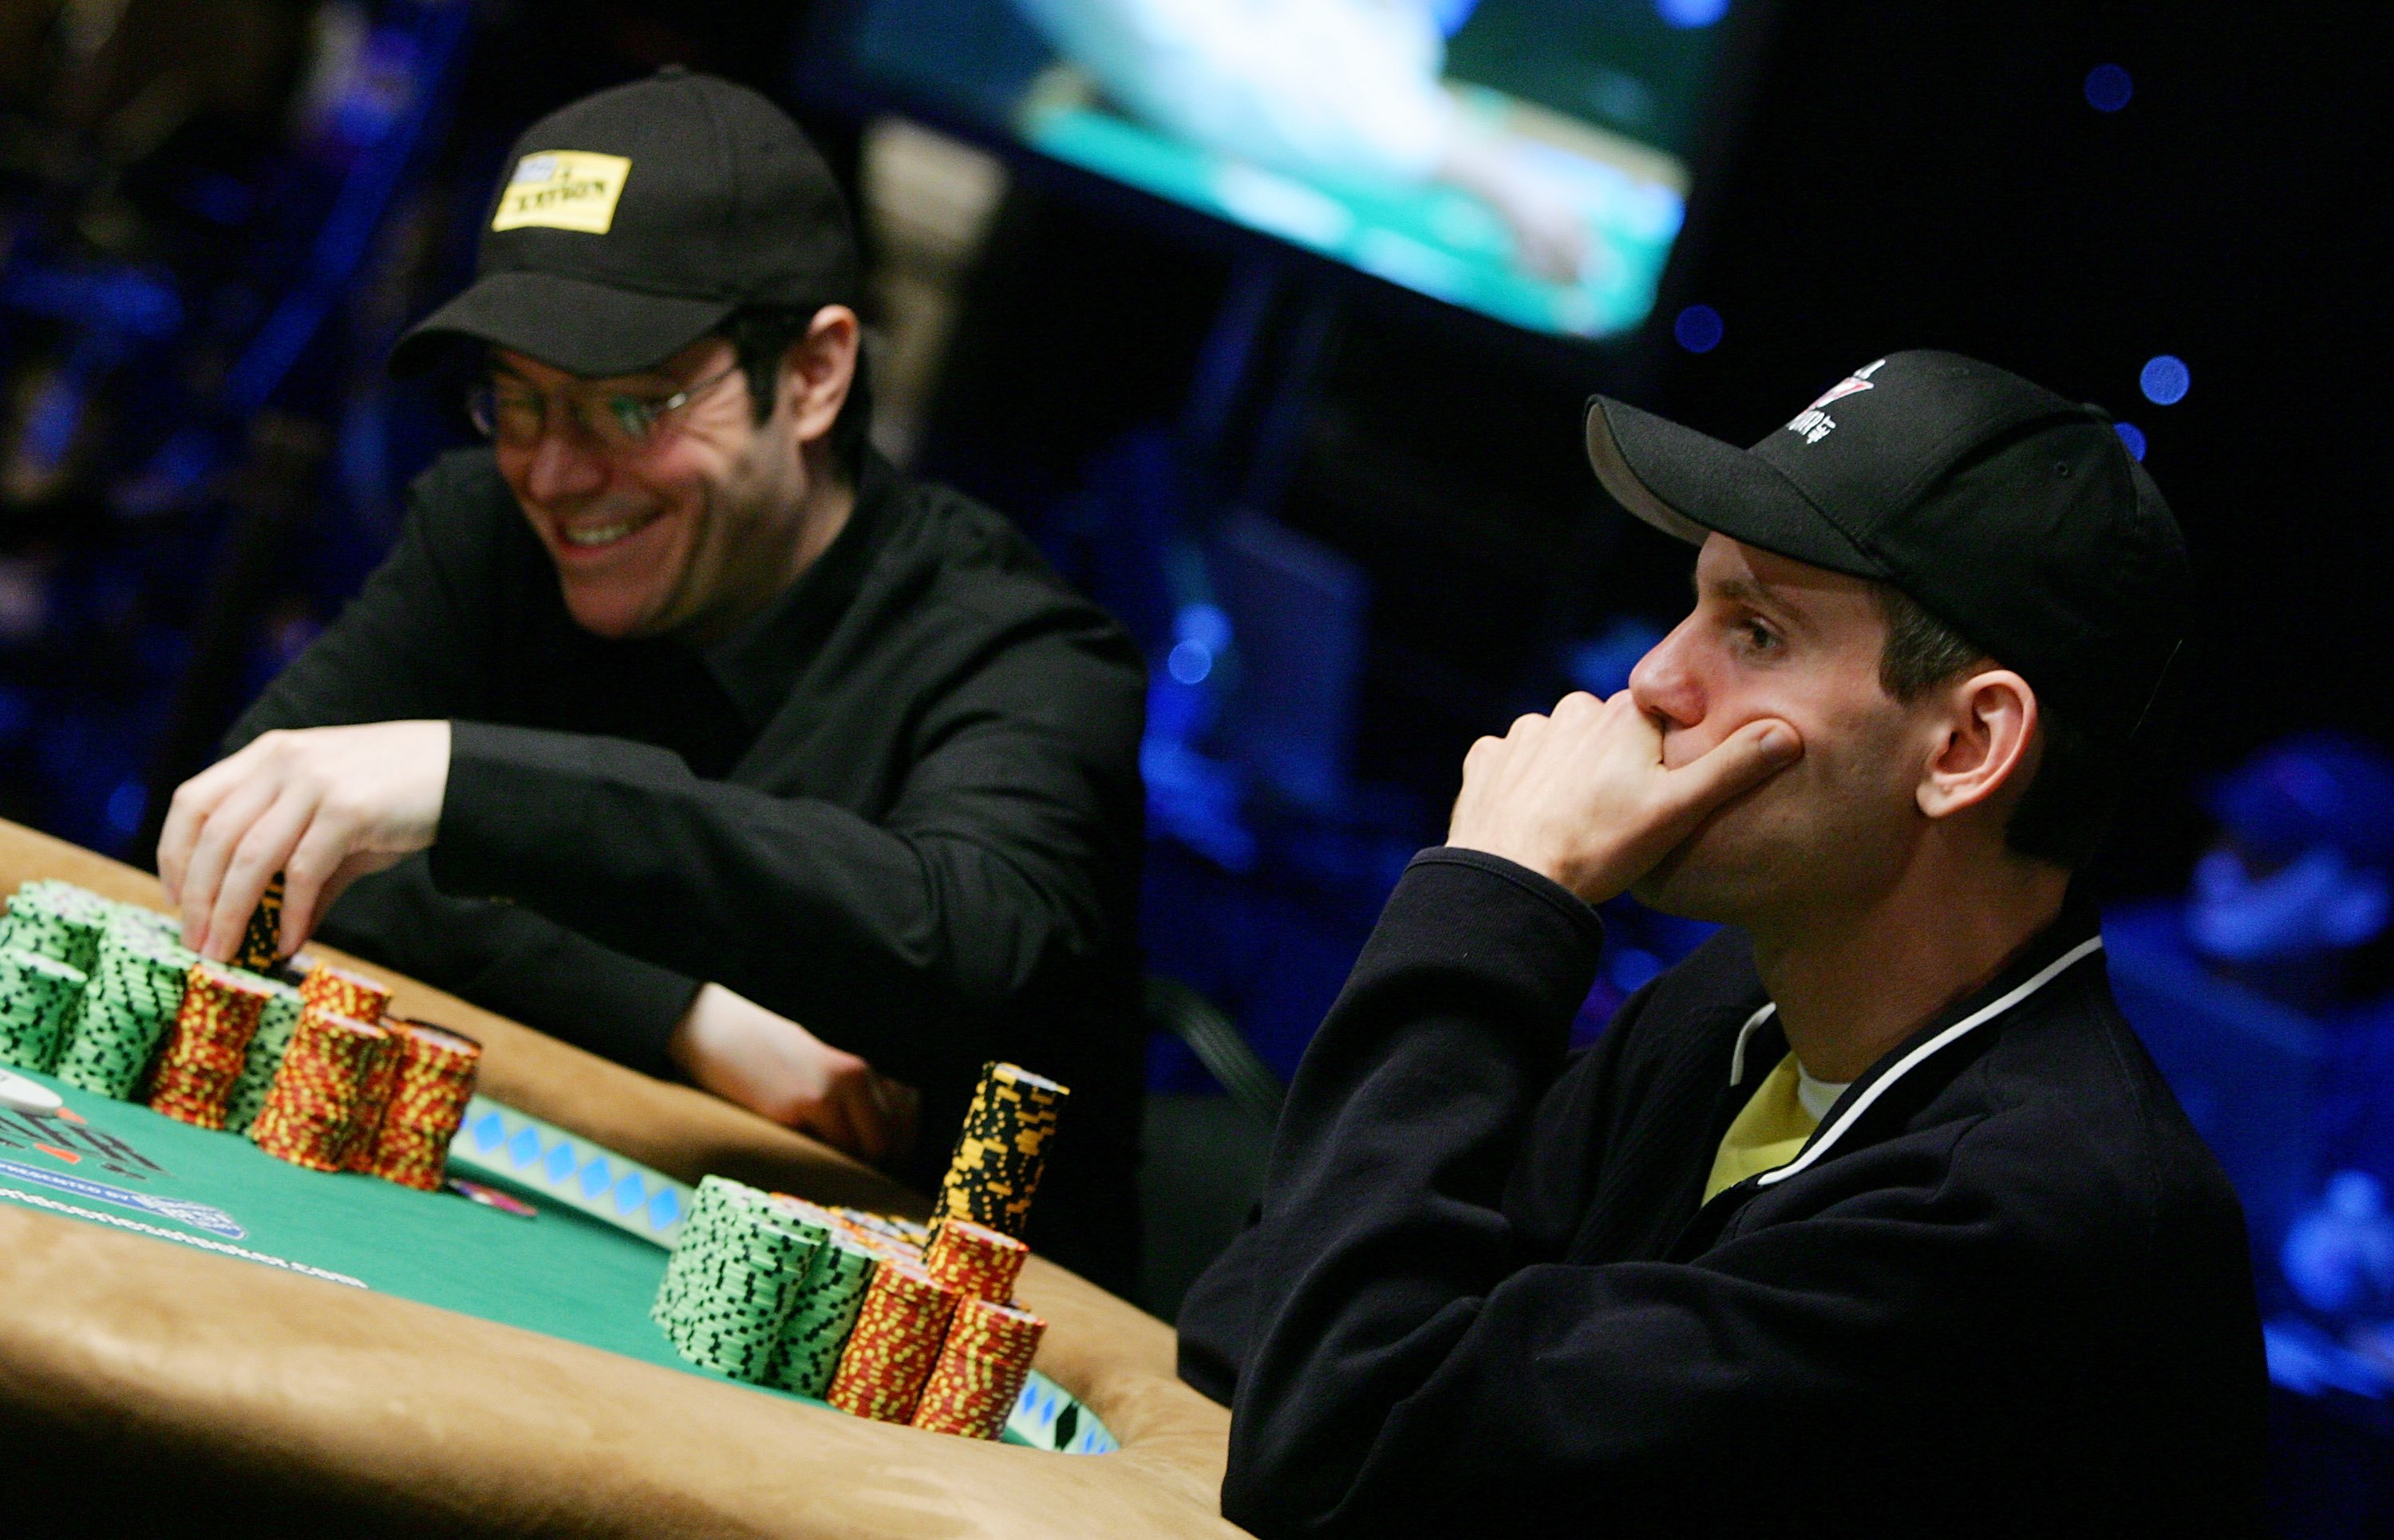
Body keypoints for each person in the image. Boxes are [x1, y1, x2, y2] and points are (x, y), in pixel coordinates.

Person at [1177, 351, 2266, 1534]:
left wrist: (1496, 897)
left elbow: (1332, 1442)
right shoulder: (1737, 1008)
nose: (1653, 678)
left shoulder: (2032, 1220)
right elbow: (1261, 1315)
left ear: (1966, 746)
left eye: (1754, 631)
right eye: (1691, 605)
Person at [152, 69, 1148, 1289]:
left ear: (818, 374)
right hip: (501, 1247)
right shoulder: (486, 531)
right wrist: (679, 1007)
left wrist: (465, 790)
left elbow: (964, 949)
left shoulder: (1029, 653)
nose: (557, 475)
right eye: (516, 403)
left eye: (631, 407)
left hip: (925, 1397)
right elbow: (246, 844)